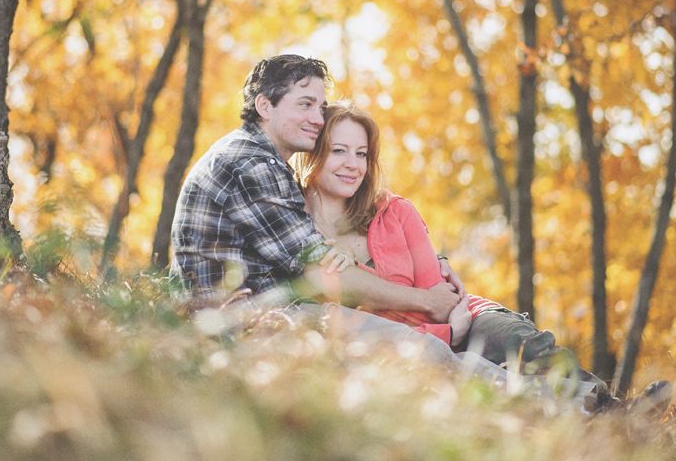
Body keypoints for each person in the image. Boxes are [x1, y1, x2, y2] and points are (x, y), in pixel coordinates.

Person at [295, 101, 621, 404]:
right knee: (485, 378)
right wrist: (445, 335)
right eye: (339, 151)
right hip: (423, 344)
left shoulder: (394, 211)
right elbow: (366, 330)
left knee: (509, 340)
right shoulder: (298, 238)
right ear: (312, 153)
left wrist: (451, 327)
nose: (353, 165)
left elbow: (442, 302)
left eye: (362, 154)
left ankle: (616, 406)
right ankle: (595, 410)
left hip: (466, 315)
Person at [169, 55, 463, 323]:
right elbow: (327, 277)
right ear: (264, 106)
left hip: (257, 315)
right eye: (305, 105)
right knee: (420, 351)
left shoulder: (255, 158)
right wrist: (428, 300)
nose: (318, 119)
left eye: (321, 108)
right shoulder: (252, 165)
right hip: (241, 323)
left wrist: (431, 261)